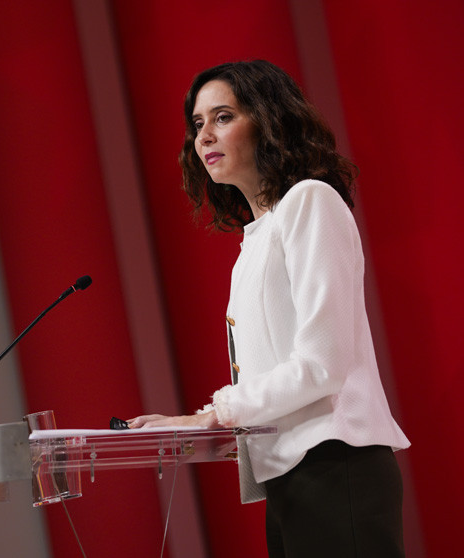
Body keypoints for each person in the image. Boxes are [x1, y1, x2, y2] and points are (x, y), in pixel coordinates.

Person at [127, 60, 410, 557]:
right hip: (291, 478)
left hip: (334, 467)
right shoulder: (258, 236)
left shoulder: (310, 201)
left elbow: (322, 364)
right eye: (198, 124)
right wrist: (202, 420)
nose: (204, 137)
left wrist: (213, 416)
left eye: (223, 117)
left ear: (268, 121)